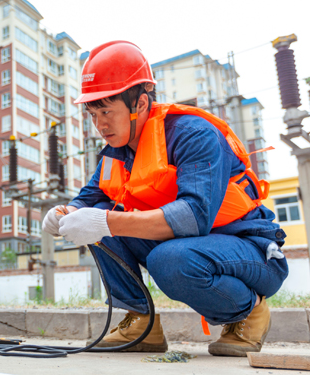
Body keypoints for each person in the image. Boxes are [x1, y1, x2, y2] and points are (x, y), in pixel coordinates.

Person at [43, 41, 288, 357]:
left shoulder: (191, 134)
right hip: (192, 247)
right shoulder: (116, 152)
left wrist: (104, 221)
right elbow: (90, 198)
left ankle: (250, 310)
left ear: (140, 103)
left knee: (167, 258)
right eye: (93, 113)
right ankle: (142, 324)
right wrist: (67, 211)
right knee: (97, 214)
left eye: (106, 111)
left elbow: (194, 217)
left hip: (249, 251)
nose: (99, 124)